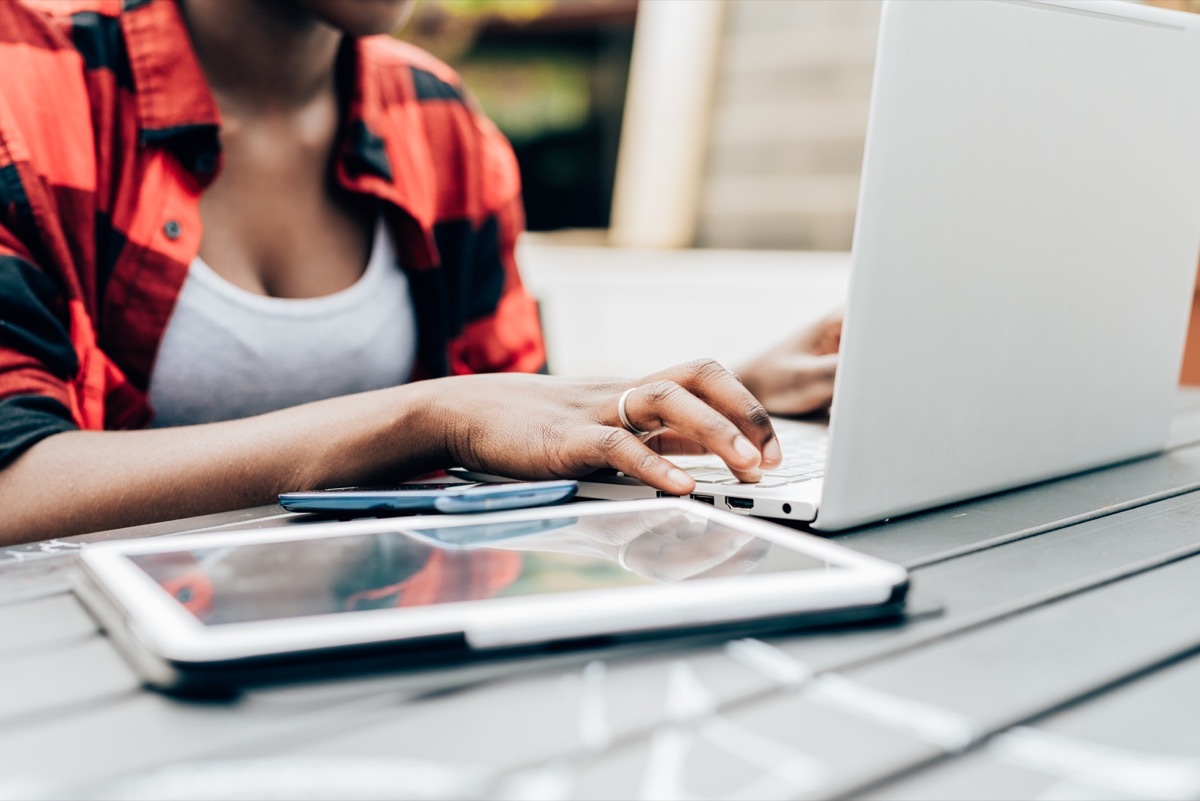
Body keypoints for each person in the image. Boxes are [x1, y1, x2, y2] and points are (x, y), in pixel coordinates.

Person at [0, 0, 837, 546]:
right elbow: (15, 482)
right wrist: (424, 417)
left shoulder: (436, 120)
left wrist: (721, 397)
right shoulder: (26, 79)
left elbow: (510, 418)